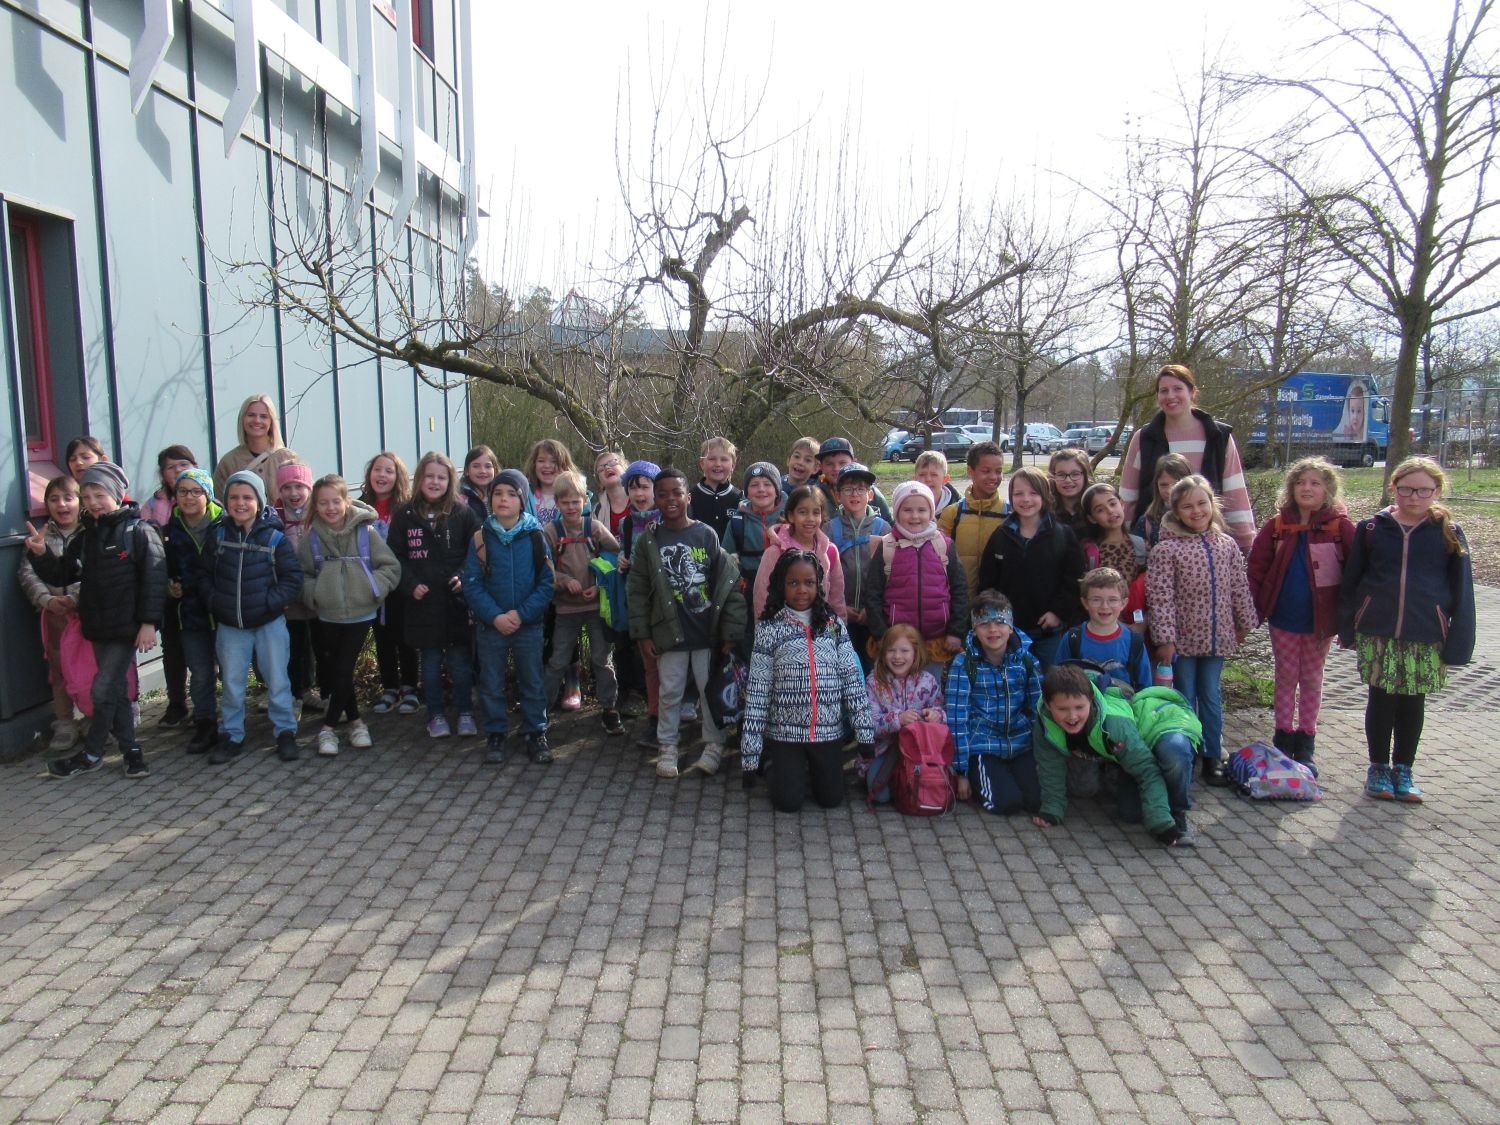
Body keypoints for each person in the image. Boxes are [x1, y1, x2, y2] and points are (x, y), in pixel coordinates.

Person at [1339, 457, 1474, 803]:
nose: (1414, 497)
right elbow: (1353, 580)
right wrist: (1348, 627)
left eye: (1423, 490)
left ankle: (1404, 768)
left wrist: (1459, 642)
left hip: (1426, 632)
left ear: (1437, 491)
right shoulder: (1372, 528)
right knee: (1380, 699)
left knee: (1413, 702)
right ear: (1393, 488)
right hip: (1378, 630)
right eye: (1406, 489)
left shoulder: (1449, 532)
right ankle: (1378, 767)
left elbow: (1462, 590)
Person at [24, 463, 166, 779]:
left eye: (99, 494)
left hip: (127, 628)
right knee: (113, 691)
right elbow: (62, 573)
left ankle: (91, 753)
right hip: (97, 627)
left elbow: (155, 580)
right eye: (87, 495)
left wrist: (148, 623)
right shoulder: (86, 538)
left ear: (115, 494)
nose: (92, 501)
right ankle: (131, 752)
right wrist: (40, 554)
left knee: (101, 691)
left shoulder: (140, 532)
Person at [627, 468, 745, 779]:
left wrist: (729, 632)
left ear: (688, 497)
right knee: (670, 693)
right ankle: (667, 746)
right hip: (669, 634)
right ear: (655, 499)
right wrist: (642, 634)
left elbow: (726, 584)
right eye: (662, 494)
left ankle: (713, 745)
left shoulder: (706, 534)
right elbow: (637, 590)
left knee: (709, 692)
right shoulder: (648, 541)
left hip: (706, 634)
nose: (670, 500)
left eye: (676, 493)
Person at [1146, 475, 1258, 786]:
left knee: (1210, 694)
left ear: (1212, 504)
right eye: (1187, 506)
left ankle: (1212, 755)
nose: (1196, 511)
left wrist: (1244, 622)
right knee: (1184, 696)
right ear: (1176, 511)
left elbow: (1239, 586)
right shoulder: (1166, 550)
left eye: (1202, 503)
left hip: (1217, 637)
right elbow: (1160, 597)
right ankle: (1185, 751)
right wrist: (1165, 638)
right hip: (1182, 640)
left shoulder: (1226, 544)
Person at [1246, 458, 1357, 772]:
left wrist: (1350, 616)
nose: (1307, 488)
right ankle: (1282, 736)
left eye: (1315, 483)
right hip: (1284, 616)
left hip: (1320, 622)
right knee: (1285, 677)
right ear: (1291, 488)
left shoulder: (1340, 527)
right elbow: (1256, 569)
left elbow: (1357, 571)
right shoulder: (1278, 525)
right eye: (1300, 483)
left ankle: (1306, 740)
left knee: (1311, 678)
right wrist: (1253, 609)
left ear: (1328, 490)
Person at [740, 550, 873, 811]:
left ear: (818, 585)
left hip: (828, 732)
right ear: (781, 585)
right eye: (793, 583)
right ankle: (772, 764)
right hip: (785, 734)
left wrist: (865, 736)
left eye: (809, 582)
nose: (802, 589)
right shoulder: (769, 629)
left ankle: (810, 772)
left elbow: (852, 682)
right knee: (787, 803)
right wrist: (749, 758)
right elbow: (757, 694)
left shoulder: (833, 625)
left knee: (831, 799)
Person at [203, 470, 304, 764]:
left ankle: (285, 731)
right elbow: (203, 575)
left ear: (259, 502)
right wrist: (215, 602)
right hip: (231, 625)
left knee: (277, 679)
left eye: (247, 497)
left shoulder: (275, 538)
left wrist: (269, 603)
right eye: (234, 497)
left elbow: (292, 579)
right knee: (232, 683)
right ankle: (232, 734)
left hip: (268, 623)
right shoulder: (218, 535)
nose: (240, 503)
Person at [1030, 664, 1189, 847]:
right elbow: (1050, 767)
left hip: (1126, 748)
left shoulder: (1116, 725)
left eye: (1079, 707)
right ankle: (1105, 769)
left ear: (1091, 699)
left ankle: (1169, 803)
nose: (1072, 716)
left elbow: (1147, 770)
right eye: (1063, 709)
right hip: (1091, 749)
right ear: (1048, 706)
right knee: (1083, 789)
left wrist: (1161, 823)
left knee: (1132, 814)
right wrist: (1052, 810)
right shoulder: (1043, 723)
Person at [300, 475, 401, 756]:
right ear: (315, 506)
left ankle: (328, 729)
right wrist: (315, 595)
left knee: (343, 669)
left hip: (361, 612)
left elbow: (390, 566)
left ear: (347, 501)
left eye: (336, 501)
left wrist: (374, 588)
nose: (330, 508)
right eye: (323, 503)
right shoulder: (313, 538)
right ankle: (356, 722)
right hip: (328, 613)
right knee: (335, 671)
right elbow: (305, 574)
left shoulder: (365, 533)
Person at [465, 468, 555, 766]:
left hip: (528, 625)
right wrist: (495, 616)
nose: (504, 500)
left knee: (532, 680)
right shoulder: (480, 537)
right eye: (498, 494)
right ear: (490, 499)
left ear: (522, 500)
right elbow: (472, 584)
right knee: (491, 681)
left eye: (511, 495)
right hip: (492, 627)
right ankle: (496, 732)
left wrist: (522, 613)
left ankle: (535, 731)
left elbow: (546, 583)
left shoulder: (535, 537)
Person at [388, 452, 481, 740]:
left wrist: (464, 576)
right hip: (421, 604)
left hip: (455, 604)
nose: (435, 482)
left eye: (441, 477)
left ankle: (465, 712)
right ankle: (436, 715)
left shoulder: (463, 513)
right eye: (429, 476)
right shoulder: (404, 515)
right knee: (429, 664)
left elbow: (477, 551)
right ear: (419, 479)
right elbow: (395, 557)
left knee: (459, 663)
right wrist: (410, 583)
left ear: (450, 480)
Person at [1119, 365, 1255, 553]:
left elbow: (1235, 494)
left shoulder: (1218, 437)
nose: (1170, 396)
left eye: (1177, 389)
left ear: (1192, 392)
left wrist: (1246, 544)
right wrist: (1122, 541)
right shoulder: (1144, 438)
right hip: (1156, 546)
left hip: (1208, 545)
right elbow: (1128, 497)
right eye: (1163, 391)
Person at [975, 466, 1087, 669]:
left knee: (1050, 682)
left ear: (1045, 496)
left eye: (1033, 493)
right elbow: (988, 583)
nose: (1026, 499)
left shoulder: (1062, 535)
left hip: (1048, 631)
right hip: (1009, 630)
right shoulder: (1001, 535)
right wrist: (995, 619)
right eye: (1018, 494)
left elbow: (1074, 580)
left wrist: (1058, 612)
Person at [543, 469, 625, 735]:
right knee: (557, 661)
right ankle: (541, 710)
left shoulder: (594, 527)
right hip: (565, 609)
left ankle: (609, 708)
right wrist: (564, 580)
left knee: (602, 659)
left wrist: (599, 585)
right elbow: (543, 569)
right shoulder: (550, 531)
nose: (570, 507)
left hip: (595, 607)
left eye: (575, 501)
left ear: (585, 501)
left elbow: (616, 558)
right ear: (557, 503)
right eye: (564, 502)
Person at [945, 591, 1043, 815]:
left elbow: (1039, 709)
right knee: (1007, 803)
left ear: (1010, 627)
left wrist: (1040, 755)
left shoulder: (1027, 660)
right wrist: (960, 773)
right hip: (983, 744)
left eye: (1000, 623)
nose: (993, 630)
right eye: (984, 624)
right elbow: (957, 719)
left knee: (1036, 801)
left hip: (1021, 743)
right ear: (974, 629)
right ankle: (980, 774)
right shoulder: (964, 664)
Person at [863, 480, 969, 667]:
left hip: (937, 641)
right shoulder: (887, 546)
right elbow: (873, 593)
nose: (915, 516)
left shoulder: (944, 545)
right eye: (907, 510)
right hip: (896, 645)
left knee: (931, 692)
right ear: (896, 512)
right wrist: (880, 634)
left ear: (931, 512)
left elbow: (960, 589)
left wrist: (956, 631)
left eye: (921, 510)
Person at [18, 476, 84, 752]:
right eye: (54, 499)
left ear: (79, 502)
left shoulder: (89, 533)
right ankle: (66, 722)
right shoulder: (41, 536)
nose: (62, 504)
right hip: (54, 614)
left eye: (68, 497)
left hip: (83, 614)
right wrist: (46, 599)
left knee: (87, 669)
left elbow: (94, 572)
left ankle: (93, 717)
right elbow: (27, 573)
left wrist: (75, 598)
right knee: (58, 670)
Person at [161, 468, 224, 754]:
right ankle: (205, 723)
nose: (188, 497)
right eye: (182, 492)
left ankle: (235, 722)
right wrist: (169, 586)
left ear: (207, 494)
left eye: (195, 491)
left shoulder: (224, 523)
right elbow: (161, 569)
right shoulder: (169, 531)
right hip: (190, 614)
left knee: (233, 670)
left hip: (225, 612)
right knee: (200, 672)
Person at [359, 451, 418, 716]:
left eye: (389, 471)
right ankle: (389, 687)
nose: (382, 475)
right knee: (382, 637)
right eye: (377, 470)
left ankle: (409, 687)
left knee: (406, 637)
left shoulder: (407, 509)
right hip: (372, 585)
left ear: (398, 477)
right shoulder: (359, 508)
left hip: (401, 585)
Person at [863, 623, 945, 804]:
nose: (897, 656)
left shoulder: (928, 681)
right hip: (885, 751)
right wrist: (898, 720)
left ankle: (907, 783)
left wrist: (936, 716)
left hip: (921, 753)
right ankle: (891, 779)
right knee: (880, 796)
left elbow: (941, 711)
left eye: (904, 651)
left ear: (916, 652)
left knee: (919, 788)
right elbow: (869, 724)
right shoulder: (874, 682)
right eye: (891, 650)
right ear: (883, 653)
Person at [826, 462, 889, 671]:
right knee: (844, 667)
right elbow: (824, 575)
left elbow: (889, 575)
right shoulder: (830, 529)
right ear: (838, 496)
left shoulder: (883, 528)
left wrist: (872, 610)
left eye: (861, 488)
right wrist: (841, 607)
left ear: (870, 495)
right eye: (848, 489)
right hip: (841, 616)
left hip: (874, 616)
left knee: (873, 669)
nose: (855, 494)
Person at [618, 460, 663, 748]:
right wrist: (623, 561)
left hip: (665, 601)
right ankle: (655, 720)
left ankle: (672, 717)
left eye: (645, 486)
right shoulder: (626, 522)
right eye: (633, 488)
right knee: (650, 665)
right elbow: (625, 553)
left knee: (670, 666)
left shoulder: (667, 519)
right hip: (639, 599)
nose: (639, 494)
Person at [752, 485, 845, 622]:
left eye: (816, 513)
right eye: (803, 512)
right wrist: (765, 632)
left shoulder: (829, 551)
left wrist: (839, 632)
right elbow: (762, 597)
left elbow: (837, 598)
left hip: (820, 632)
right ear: (791, 516)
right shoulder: (775, 553)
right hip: (782, 633)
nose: (810, 519)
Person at [722, 462, 787, 659]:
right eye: (754, 484)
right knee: (752, 642)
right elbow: (726, 562)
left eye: (767, 484)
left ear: (776, 490)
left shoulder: (790, 516)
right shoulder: (737, 522)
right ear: (746, 491)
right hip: (748, 591)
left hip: (785, 590)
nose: (761, 490)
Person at [276, 460, 323, 714]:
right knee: (294, 646)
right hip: (290, 595)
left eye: (299, 487)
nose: (293, 493)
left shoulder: (319, 513)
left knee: (320, 645)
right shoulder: (275, 517)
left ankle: (320, 692)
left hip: (317, 592)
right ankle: (296, 693)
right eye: (287, 487)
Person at [936, 440, 1008, 600]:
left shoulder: (1009, 513)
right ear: (970, 471)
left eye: (998, 471)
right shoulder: (953, 513)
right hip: (959, 602)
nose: (994, 477)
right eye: (986, 471)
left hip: (996, 605)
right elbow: (937, 559)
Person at [1061, 568, 1151, 691]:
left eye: (1112, 600)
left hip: (1123, 708)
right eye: (1096, 600)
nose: (1104, 606)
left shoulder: (1134, 641)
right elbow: (1059, 681)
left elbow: (1145, 688)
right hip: (1084, 708)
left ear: (1123, 603)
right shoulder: (1073, 639)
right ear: (1085, 603)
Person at [1079, 481, 1149, 630]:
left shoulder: (1142, 546)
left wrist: (1143, 624)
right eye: (1100, 510)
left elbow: (1154, 590)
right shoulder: (1089, 552)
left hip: (1138, 627)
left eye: (1113, 503)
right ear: (1091, 518)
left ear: (1122, 504)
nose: (1110, 511)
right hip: (1102, 626)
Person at [212, 394, 301, 499]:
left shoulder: (288, 458)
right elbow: (219, 504)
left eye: (263, 416)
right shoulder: (229, 462)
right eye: (251, 415)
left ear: (272, 421)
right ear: (242, 418)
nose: (257, 420)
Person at [813, 437, 892, 521]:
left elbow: (890, 523)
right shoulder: (814, 494)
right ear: (821, 467)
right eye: (829, 464)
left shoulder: (870, 493)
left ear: (853, 462)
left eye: (842, 463)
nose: (836, 468)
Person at [1129, 452, 1193, 549]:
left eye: (1176, 484)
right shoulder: (1148, 520)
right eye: (1163, 485)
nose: (1169, 491)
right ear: (1156, 485)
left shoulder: (1200, 516)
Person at [690, 435, 743, 539]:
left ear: (733, 465)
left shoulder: (740, 498)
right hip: (697, 553)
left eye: (724, 459)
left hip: (729, 554)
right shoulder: (690, 496)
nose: (718, 464)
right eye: (712, 459)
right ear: (702, 463)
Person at [140, 445, 197, 528]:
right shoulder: (151, 505)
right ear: (163, 474)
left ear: (196, 468)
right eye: (171, 467)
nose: (178, 470)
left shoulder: (211, 503)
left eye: (183, 464)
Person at [526, 438, 574, 526]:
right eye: (541, 461)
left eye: (554, 461)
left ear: (564, 465)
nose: (547, 466)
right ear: (534, 464)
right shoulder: (524, 496)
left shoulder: (577, 498)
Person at [1048, 448, 1093, 537]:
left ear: (1085, 475)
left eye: (1075, 474)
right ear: (1053, 476)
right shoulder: (1046, 511)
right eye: (1061, 474)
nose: (1068, 480)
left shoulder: (1094, 508)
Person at [591, 449, 631, 538]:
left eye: (612, 463)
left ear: (625, 469)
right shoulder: (597, 511)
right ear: (600, 482)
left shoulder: (641, 498)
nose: (607, 468)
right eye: (601, 469)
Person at [459, 445, 500, 523]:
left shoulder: (501, 495)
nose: (482, 471)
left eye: (488, 466)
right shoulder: (460, 499)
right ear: (466, 470)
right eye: (476, 466)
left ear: (495, 469)